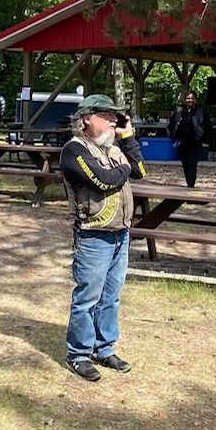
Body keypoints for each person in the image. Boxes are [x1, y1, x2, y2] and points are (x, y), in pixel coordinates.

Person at [60, 94, 144, 382]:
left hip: (121, 232)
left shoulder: (112, 148)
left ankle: (104, 348)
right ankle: (78, 355)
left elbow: (140, 171)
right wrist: (124, 167)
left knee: (111, 297)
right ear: (86, 118)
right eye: (107, 115)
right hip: (93, 235)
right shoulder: (74, 150)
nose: (113, 121)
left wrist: (128, 138)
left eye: (115, 116)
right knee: (87, 298)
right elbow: (104, 180)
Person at [168, 90, 212, 188]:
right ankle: (189, 182)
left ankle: (191, 185)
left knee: (193, 164)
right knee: (185, 164)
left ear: (195, 99)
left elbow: (208, 125)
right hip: (182, 142)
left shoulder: (201, 110)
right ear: (184, 100)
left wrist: (205, 139)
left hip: (195, 142)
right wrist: (174, 136)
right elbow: (171, 125)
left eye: (192, 98)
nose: (190, 100)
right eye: (188, 98)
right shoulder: (179, 111)